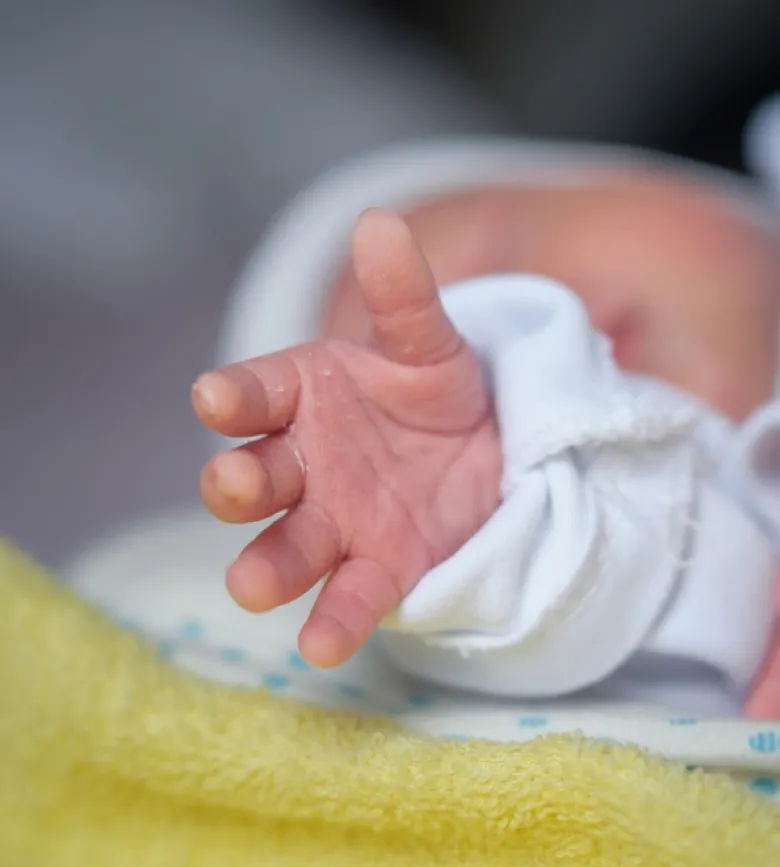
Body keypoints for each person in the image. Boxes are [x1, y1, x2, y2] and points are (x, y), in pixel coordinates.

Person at [191, 161, 780, 719]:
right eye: (490, 374)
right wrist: (504, 548)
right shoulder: (718, 554)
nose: (542, 334)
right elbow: (625, 559)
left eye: (509, 250)